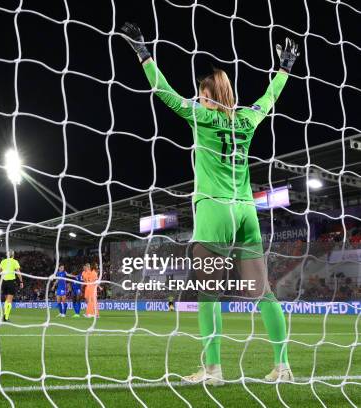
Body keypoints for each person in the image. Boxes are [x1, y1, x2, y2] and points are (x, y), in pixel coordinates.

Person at [121, 22, 299, 384]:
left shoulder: (201, 117)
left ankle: (213, 370)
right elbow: (269, 98)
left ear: (210, 96)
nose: (199, 99)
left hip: (215, 208)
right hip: (247, 211)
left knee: (208, 294)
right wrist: (284, 69)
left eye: (202, 94)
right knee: (262, 293)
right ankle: (283, 367)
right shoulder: (248, 119)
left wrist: (144, 54)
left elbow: (164, 92)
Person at [0, 251, 23, 322]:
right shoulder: (15, 261)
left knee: (6, 300)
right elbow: (18, 272)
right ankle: (5, 317)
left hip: (3, 282)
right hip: (11, 282)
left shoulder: (3, 261)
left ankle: (5, 316)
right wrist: (21, 281)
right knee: (9, 301)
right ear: (13, 255)